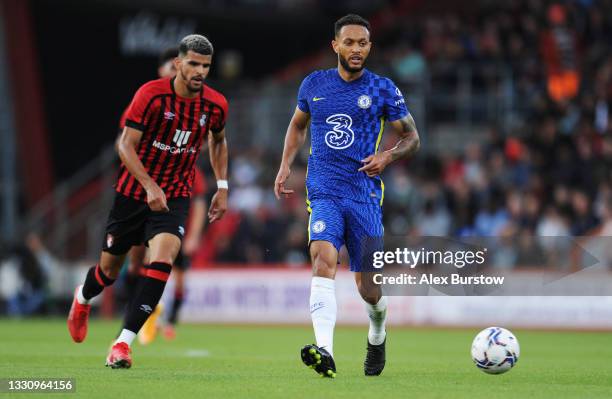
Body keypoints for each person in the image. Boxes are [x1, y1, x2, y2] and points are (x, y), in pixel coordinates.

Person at [67, 34, 229, 369]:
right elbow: (125, 145)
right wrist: (149, 184)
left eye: (206, 66)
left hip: (176, 195)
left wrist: (222, 186)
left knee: (165, 258)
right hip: (132, 194)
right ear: (179, 63)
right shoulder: (150, 95)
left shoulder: (215, 104)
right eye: (194, 64)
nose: (200, 71)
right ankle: (82, 298)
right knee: (108, 272)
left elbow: (219, 140)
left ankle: (122, 343)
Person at [274, 14, 419, 378]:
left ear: (369, 47)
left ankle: (377, 331)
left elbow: (412, 137)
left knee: (368, 287)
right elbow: (297, 124)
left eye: (363, 44)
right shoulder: (313, 84)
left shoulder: (383, 88)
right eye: (350, 43)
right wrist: (284, 164)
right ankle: (325, 350)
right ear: (335, 45)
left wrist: (388, 155)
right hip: (323, 189)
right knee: (322, 257)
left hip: (364, 196)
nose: (357, 49)